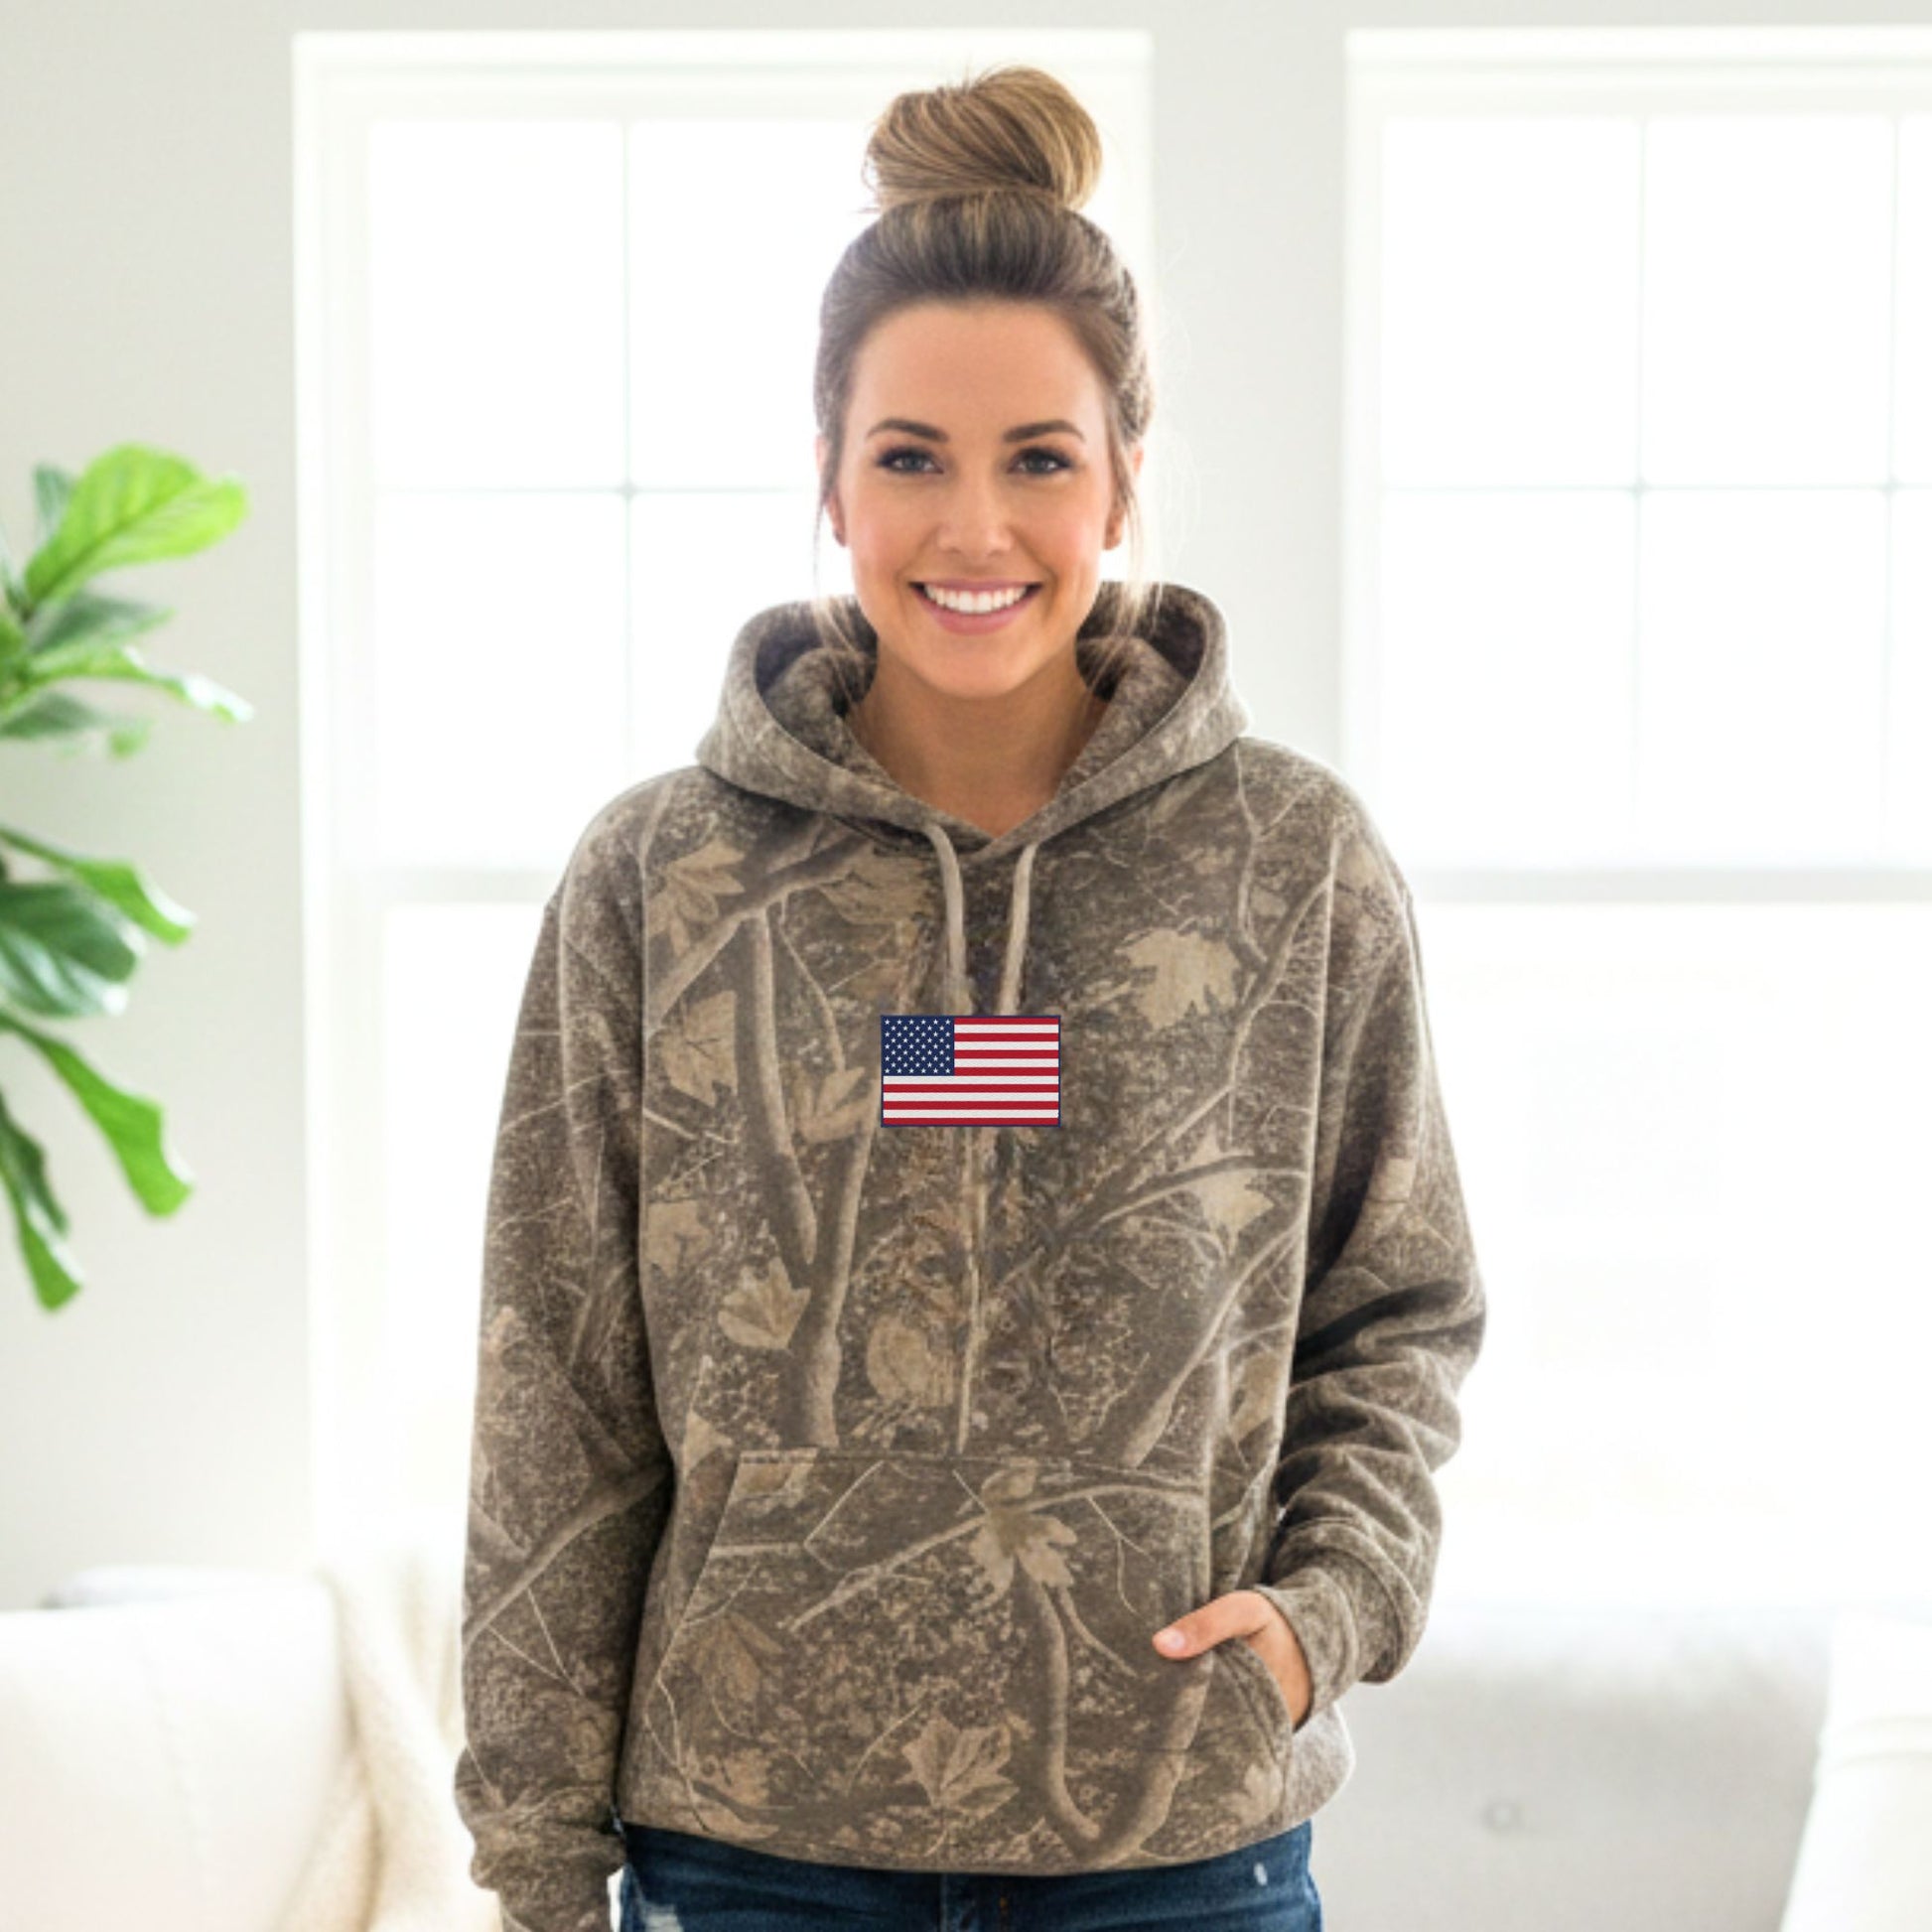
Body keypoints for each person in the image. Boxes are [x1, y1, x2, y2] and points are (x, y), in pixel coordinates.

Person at [453, 63, 1486, 1932]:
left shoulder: (1290, 860)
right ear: (828, 478)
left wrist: (1322, 1614)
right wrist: (536, 1868)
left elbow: (1397, 1303)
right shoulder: (658, 876)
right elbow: (557, 1382)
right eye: (910, 455)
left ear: (1123, 477)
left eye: (1039, 457)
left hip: (1175, 1844)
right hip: (747, 1850)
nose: (974, 527)